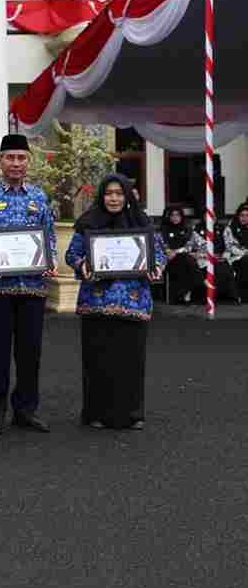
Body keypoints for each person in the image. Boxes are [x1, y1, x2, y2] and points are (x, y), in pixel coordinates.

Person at [0, 134, 57, 435]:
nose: (16, 163)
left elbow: (49, 235)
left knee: (30, 353)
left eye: (21, 158)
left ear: (28, 161)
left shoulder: (39, 197)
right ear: (0, 161)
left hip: (32, 286)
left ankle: (26, 410)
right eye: (10, 157)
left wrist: (51, 258)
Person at [66, 174, 166, 430]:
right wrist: (82, 265)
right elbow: (72, 254)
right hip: (96, 303)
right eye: (109, 193)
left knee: (130, 360)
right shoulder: (88, 221)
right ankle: (95, 414)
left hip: (134, 302)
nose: (114, 198)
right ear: (102, 195)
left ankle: (132, 414)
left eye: (119, 193)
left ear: (127, 196)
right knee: (98, 359)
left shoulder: (141, 222)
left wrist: (156, 267)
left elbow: (159, 254)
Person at [185, 220, 237, 304]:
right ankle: (206, 297)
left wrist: (222, 256)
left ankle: (226, 297)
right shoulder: (196, 229)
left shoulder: (224, 228)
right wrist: (200, 255)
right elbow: (189, 247)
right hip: (202, 259)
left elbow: (229, 247)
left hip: (220, 258)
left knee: (223, 268)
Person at [160, 206, 198, 304]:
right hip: (169, 259)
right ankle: (187, 292)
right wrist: (169, 251)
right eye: (172, 215)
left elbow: (189, 245)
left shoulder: (187, 229)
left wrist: (176, 252)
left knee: (186, 259)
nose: (175, 217)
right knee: (187, 261)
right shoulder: (164, 229)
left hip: (183, 256)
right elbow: (162, 245)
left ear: (181, 217)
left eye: (177, 215)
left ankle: (186, 293)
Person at [222, 203, 248, 302]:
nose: (244, 218)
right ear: (238, 216)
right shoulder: (230, 228)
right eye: (242, 215)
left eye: (247, 216)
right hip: (235, 258)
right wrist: (244, 253)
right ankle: (243, 296)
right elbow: (230, 246)